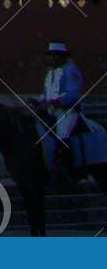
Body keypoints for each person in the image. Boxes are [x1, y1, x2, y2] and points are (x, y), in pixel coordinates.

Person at [38, 41, 85, 178]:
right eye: (50, 55)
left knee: (62, 134)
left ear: (61, 56)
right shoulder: (50, 73)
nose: (51, 58)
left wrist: (53, 102)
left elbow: (73, 94)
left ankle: (67, 170)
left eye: (54, 56)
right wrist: (38, 102)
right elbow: (46, 93)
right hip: (50, 110)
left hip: (66, 111)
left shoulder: (71, 70)